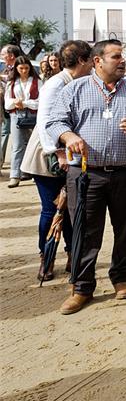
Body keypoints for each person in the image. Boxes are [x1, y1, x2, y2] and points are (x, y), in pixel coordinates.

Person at [46, 39, 126, 315]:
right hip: (87, 173)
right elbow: (55, 122)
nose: (122, 61)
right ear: (98, 61)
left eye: (123, 56)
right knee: (86, 231)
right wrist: (69, 136)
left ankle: (121, 277)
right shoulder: (75, 90)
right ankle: (82, 286)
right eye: (116, 56)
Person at [22, 40, 93, 281]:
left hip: (71, 154)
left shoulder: (80, 81)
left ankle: (73, 256)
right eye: (91, 59)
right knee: (52, 209)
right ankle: (47, 256)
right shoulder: (55, 83)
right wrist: (57, 152)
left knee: (73, 209)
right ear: (82, 60)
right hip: (48, 156)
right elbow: (44, 122)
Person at [5, 55, 40, 187]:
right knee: (17, 145)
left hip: (33, 115)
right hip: (17, 115)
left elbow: (40, 101)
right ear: (17, 68)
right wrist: (15, 102)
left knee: (34, 145)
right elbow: (7, 104)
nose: (24, 71)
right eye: (21, 68)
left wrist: (24, 103)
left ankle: (32, 173)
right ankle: (15, 174)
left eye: (26, 68)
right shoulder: (12, 83)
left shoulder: (37, 81)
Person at [0, 44, 24, 176]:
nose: (1, 56)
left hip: (19, 109)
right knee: (4, 134)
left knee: (18, 141)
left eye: (3, 54)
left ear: (11, 56)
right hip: (5, 107)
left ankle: (19, 171)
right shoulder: (5, 69)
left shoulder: (20, 69)